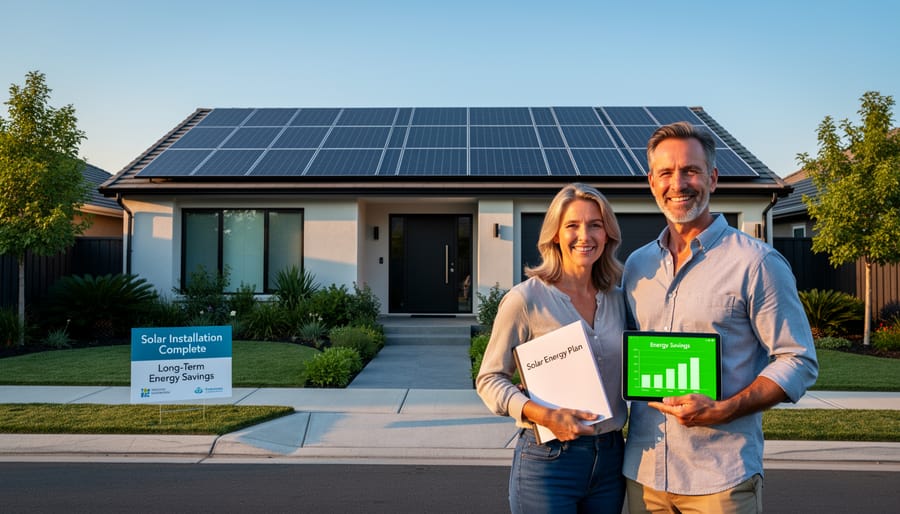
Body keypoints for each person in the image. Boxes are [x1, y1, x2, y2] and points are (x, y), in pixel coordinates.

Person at [622, 122, 818, 513]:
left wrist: (725, 408)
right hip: (643, 477)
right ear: (651, 181)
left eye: (690, 170)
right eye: (666, 172)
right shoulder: (636, 266)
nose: (678, 183)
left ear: (712, 177)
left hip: (720, 479)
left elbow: (798, 359)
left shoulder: (757, 263)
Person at [476, 182, 628, 513]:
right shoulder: (526, 299)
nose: (584, 236)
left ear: (608, 234)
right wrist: (542, 412)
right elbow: (489, 380)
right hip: (550, 462)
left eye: (595, 225)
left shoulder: (619, 299)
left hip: (612, 460)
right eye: (572, 225)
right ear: (555, 235)